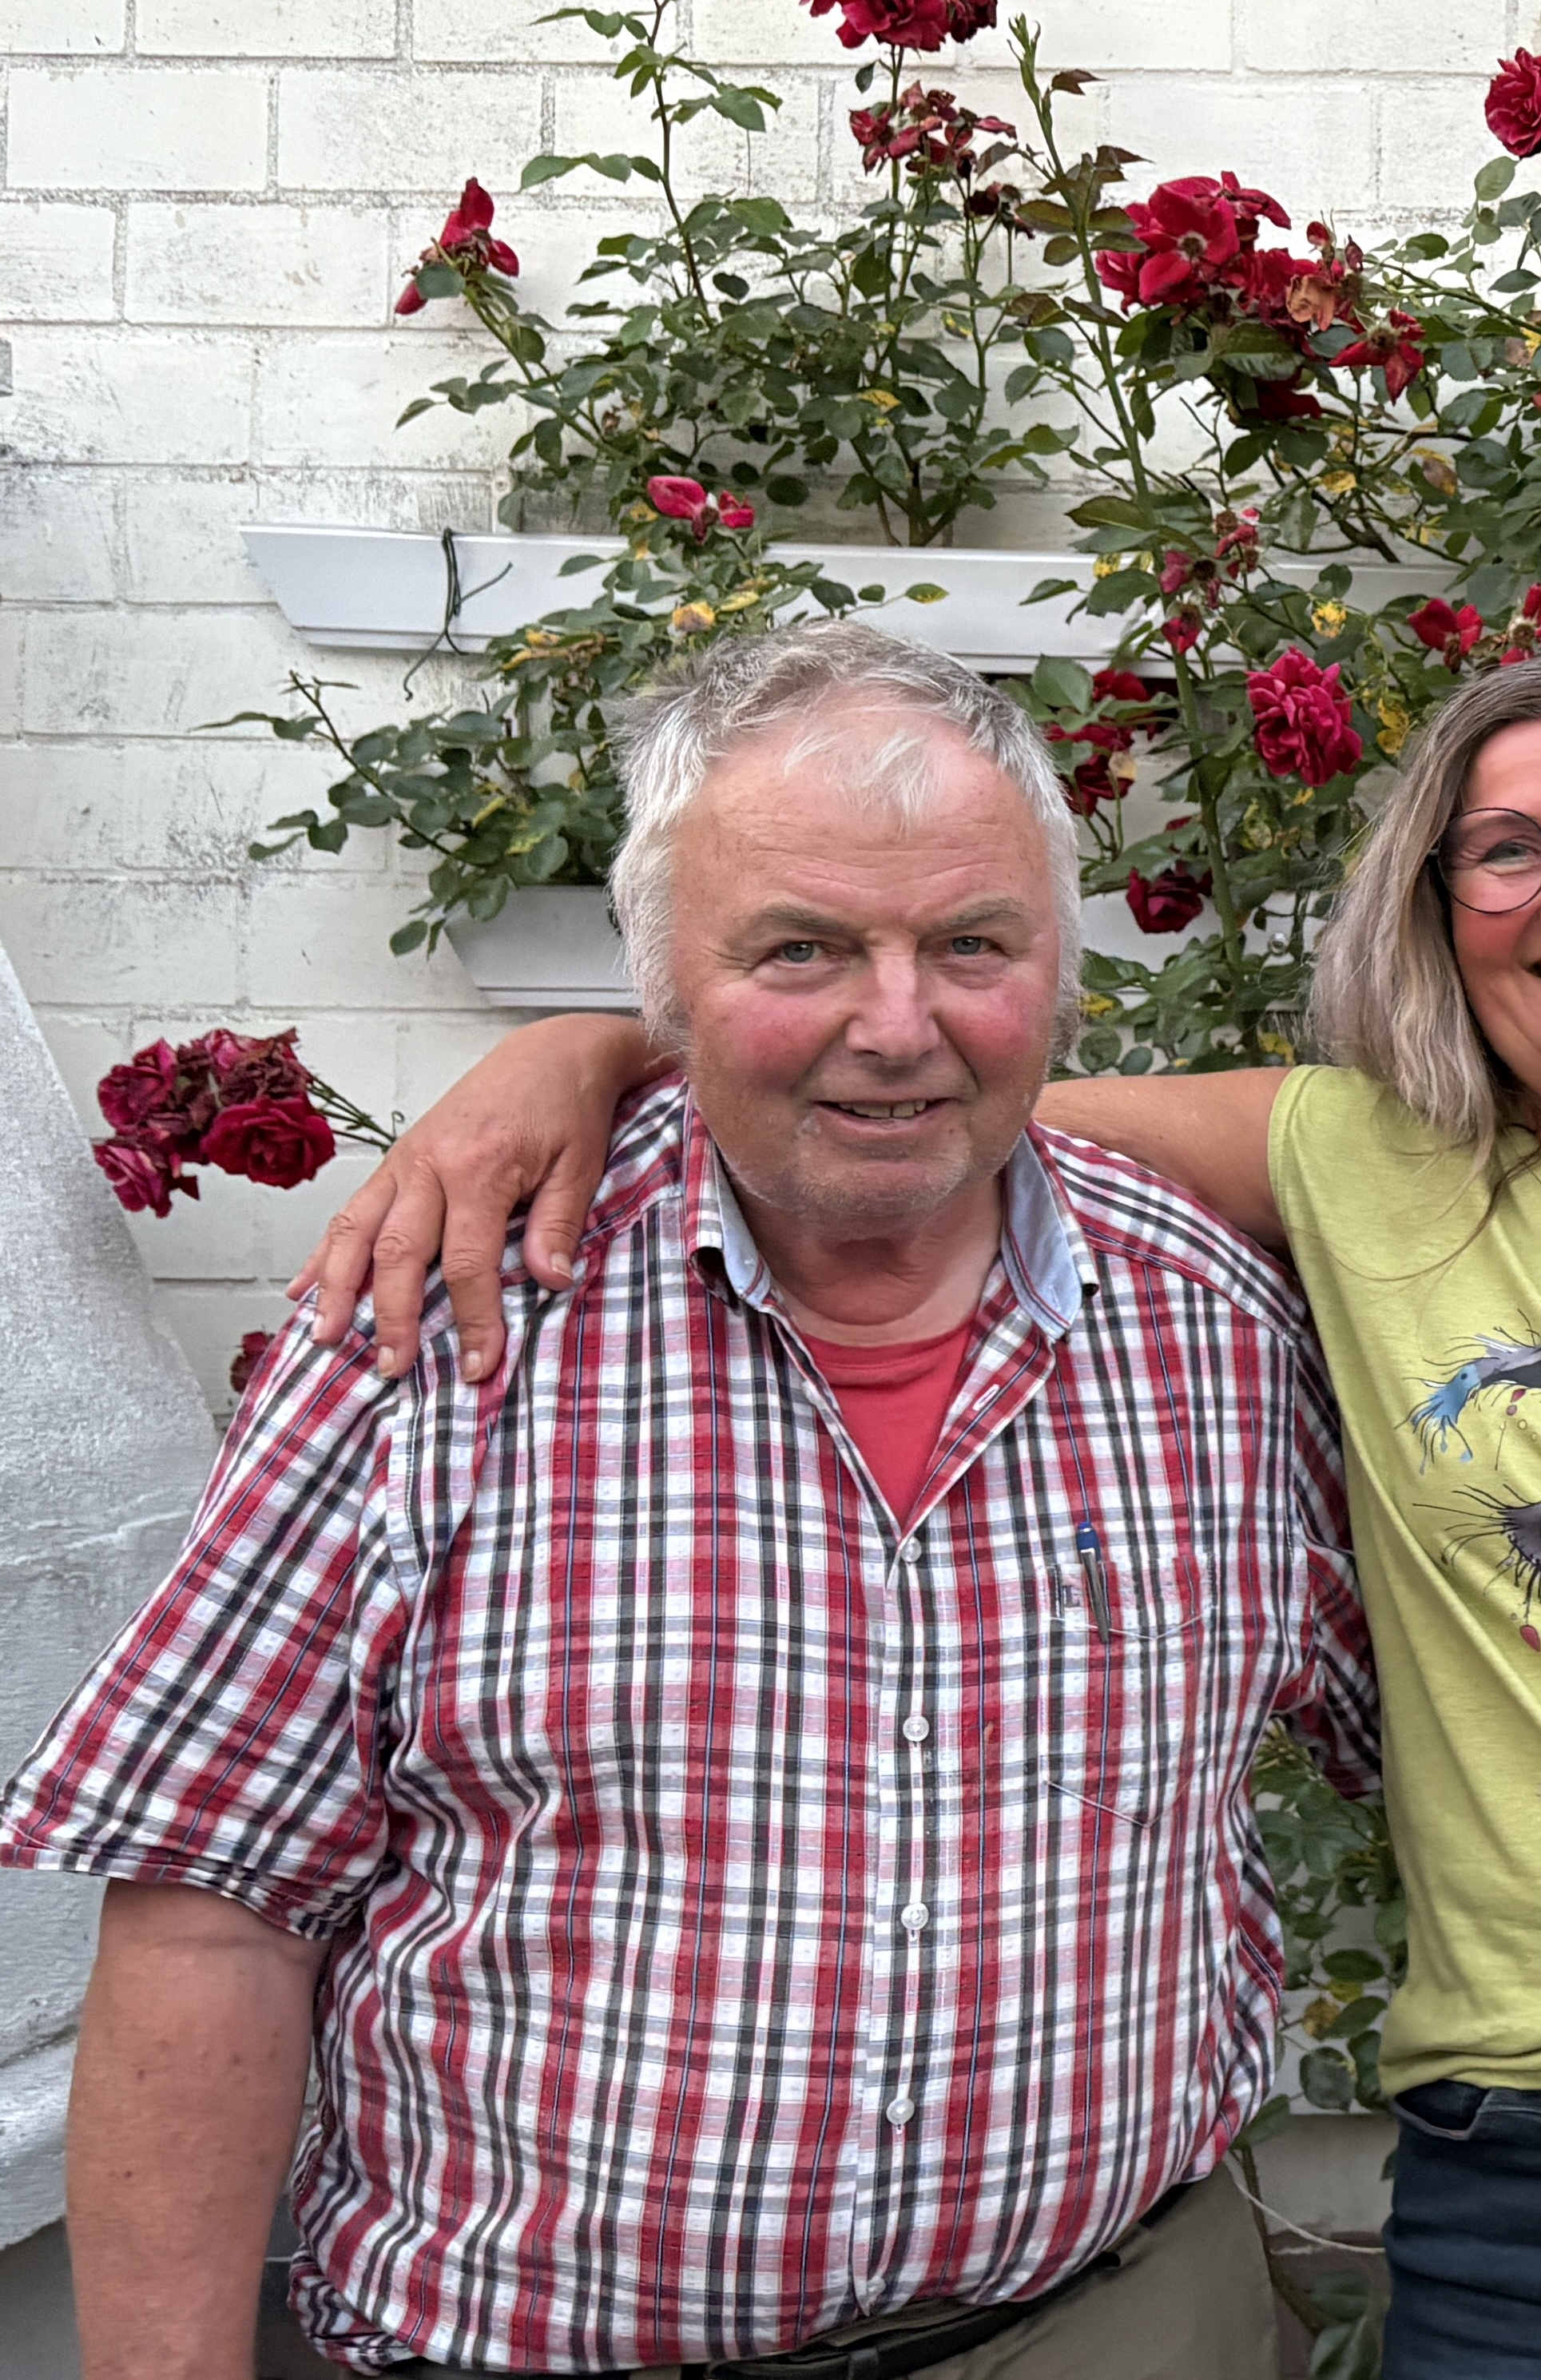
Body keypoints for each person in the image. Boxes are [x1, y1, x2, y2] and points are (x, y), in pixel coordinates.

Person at [305, 642, 1541, 2380]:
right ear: (1440, 912)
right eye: (1505, 850)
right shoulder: (1351, 1161)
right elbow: (912, 1083)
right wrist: (582, 1052)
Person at [7, 622, 1376, 2378]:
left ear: (1062, 964)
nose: (899, 1024)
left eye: (972, 943)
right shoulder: (438, 1328)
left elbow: (1442, 1732)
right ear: (662, 979)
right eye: (801, 947)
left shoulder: (1219, 1320)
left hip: (1115, 2318)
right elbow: (211, 1902)